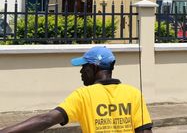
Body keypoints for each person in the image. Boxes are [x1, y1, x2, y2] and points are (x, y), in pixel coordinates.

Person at [0, 46, 153, 133]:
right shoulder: (134, 94)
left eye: (83, 67)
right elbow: (145, 131)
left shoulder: (83, 95)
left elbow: (46, 119)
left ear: (94, 67)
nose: (81, 72)